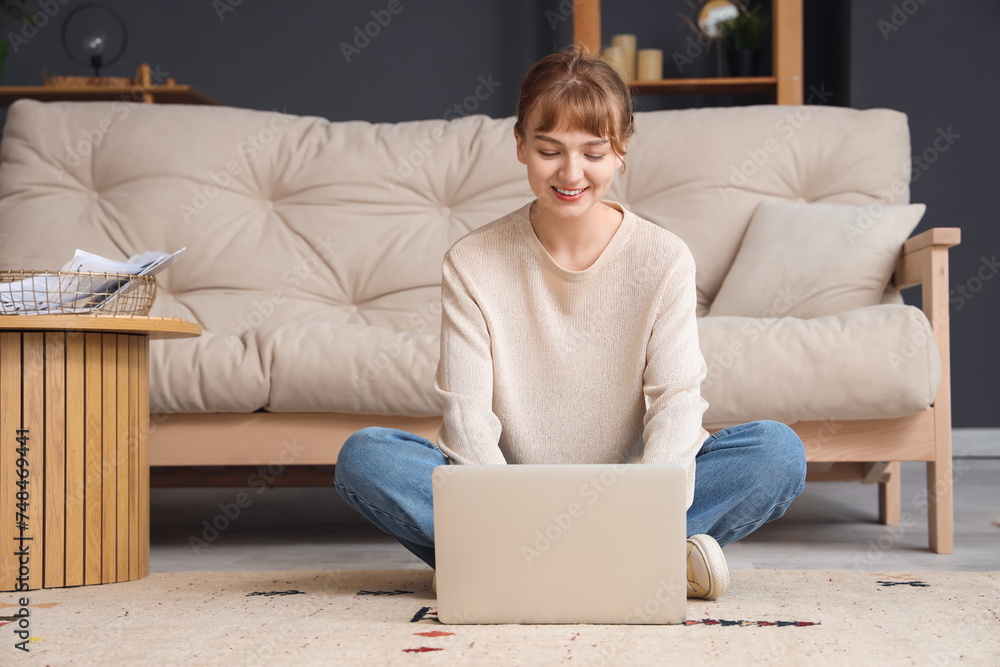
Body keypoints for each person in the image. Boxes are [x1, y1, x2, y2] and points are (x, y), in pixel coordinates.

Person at [334, 48, 807, 601]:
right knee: (367, 456)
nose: (571, 173)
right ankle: (639, 563)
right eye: (549, 150)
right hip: (508, 491)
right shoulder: (472, 261)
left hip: (632, 493)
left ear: (621, 153)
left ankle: (494, 564)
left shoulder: (664, 258)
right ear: (520, 146)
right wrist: (505, 512)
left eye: (593, 153)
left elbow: (677, 404)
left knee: (776, 452)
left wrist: (648, 505)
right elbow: (466, 415)